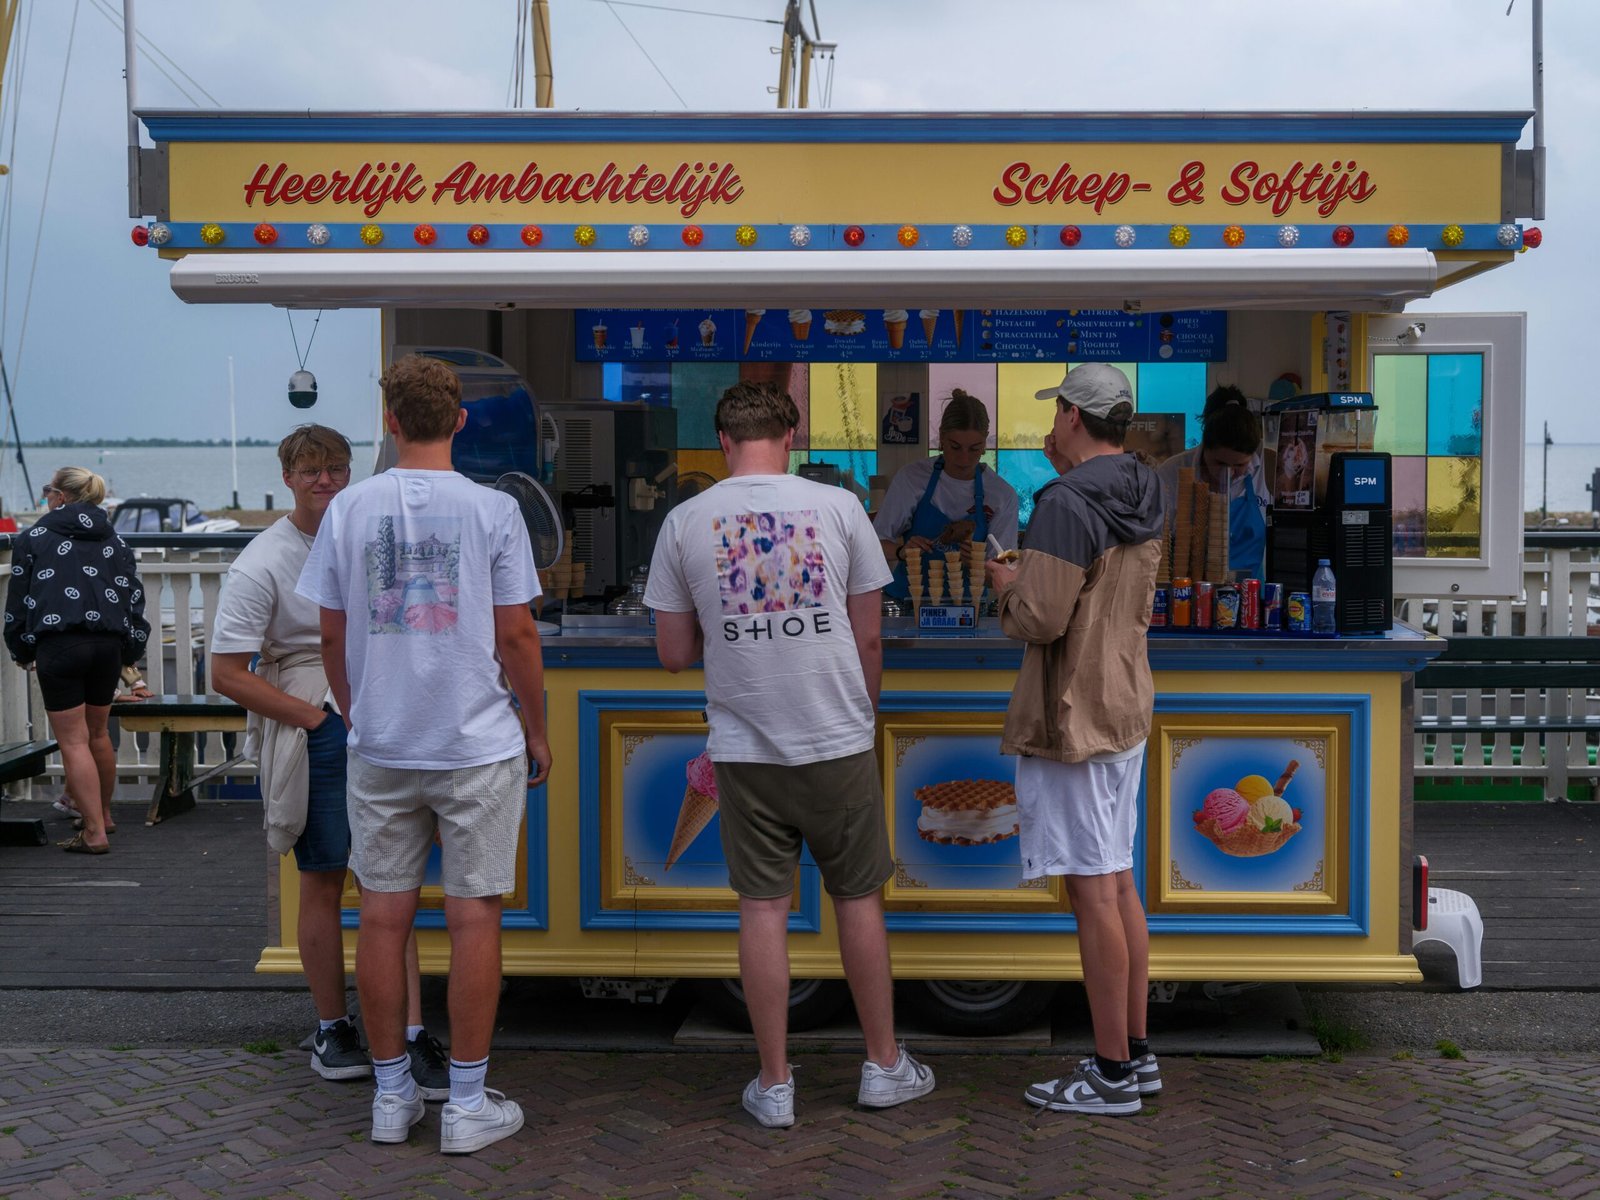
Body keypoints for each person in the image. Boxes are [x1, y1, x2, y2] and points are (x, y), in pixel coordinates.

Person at [646, 379, 935, 1130]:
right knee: (858, 901)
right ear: (791, 436)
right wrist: (856, 715)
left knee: (763, 911)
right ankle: (882, 1066)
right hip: (836, 736)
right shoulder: (838, 509)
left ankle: (774, 1086)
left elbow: (674, 653)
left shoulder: (684, 520)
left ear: (722, 442)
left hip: (744, 746)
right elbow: (869, 636)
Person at [298, 355, 552, 1155]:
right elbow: (516, 634)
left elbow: (331, 632)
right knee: (474, 913)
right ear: (462, 421)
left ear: (391, 422)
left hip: (383, 742)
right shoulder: (494, 511)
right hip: (475, 740)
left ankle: (390, 1095)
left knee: (381, 913)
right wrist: (537, 728)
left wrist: (353, 705)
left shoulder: (347, 510)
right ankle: (467, 1104)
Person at [211, 424, 447, 1097]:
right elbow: (226, 672)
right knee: (322, 879)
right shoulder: (262, 563)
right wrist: (314, 720)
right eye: (311, 470)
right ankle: (329, 1025)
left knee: (389, 881)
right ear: (287, 476)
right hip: (319, 719)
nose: (325, 480)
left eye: (336, 468)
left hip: (381, 713)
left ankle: (405, 1031)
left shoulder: (367, 536)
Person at [985, 363, 1164, 1116]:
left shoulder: (1063, 502)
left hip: (1073, 714)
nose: (1051, 424)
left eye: (1056, 412)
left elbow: (1043, 619)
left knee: (1093, 892)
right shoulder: (1144, 486)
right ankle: (1138, 1053)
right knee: (1118, 881)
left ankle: (1112, 1074)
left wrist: (1006, 586)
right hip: (1122, 704)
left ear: (1069, 416)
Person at [4, 468, 150, 854]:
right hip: (107, 647)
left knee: (73, 741)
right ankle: (104, 814)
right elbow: (134, 599)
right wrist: (131, 653)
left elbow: (17, 602)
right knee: (98, 735)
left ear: (61, 497)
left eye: (48, 491)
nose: (46, 497)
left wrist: (20, 649)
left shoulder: (33, 538)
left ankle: (94, 832)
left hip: (61, 644)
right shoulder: (116, 541)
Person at [874, 389, 1020, 589]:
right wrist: (901, 551)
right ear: (941, 438)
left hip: (972, 611)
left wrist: (979, 566)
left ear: (985, 442)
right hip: (909, 605)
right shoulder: (911, 478)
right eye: (955, 447)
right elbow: (873, 545)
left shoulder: (1003, 495)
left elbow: (1009, 569)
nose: (964, 459)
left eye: (974, 448)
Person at [1155, 385, 1270, 579]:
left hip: (1250, 596)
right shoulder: (1171, 472)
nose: (1229, 473)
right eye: (1220, 463)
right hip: (1186, 596)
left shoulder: (1267, 472)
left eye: (1239, 465)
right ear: (1204, 446)